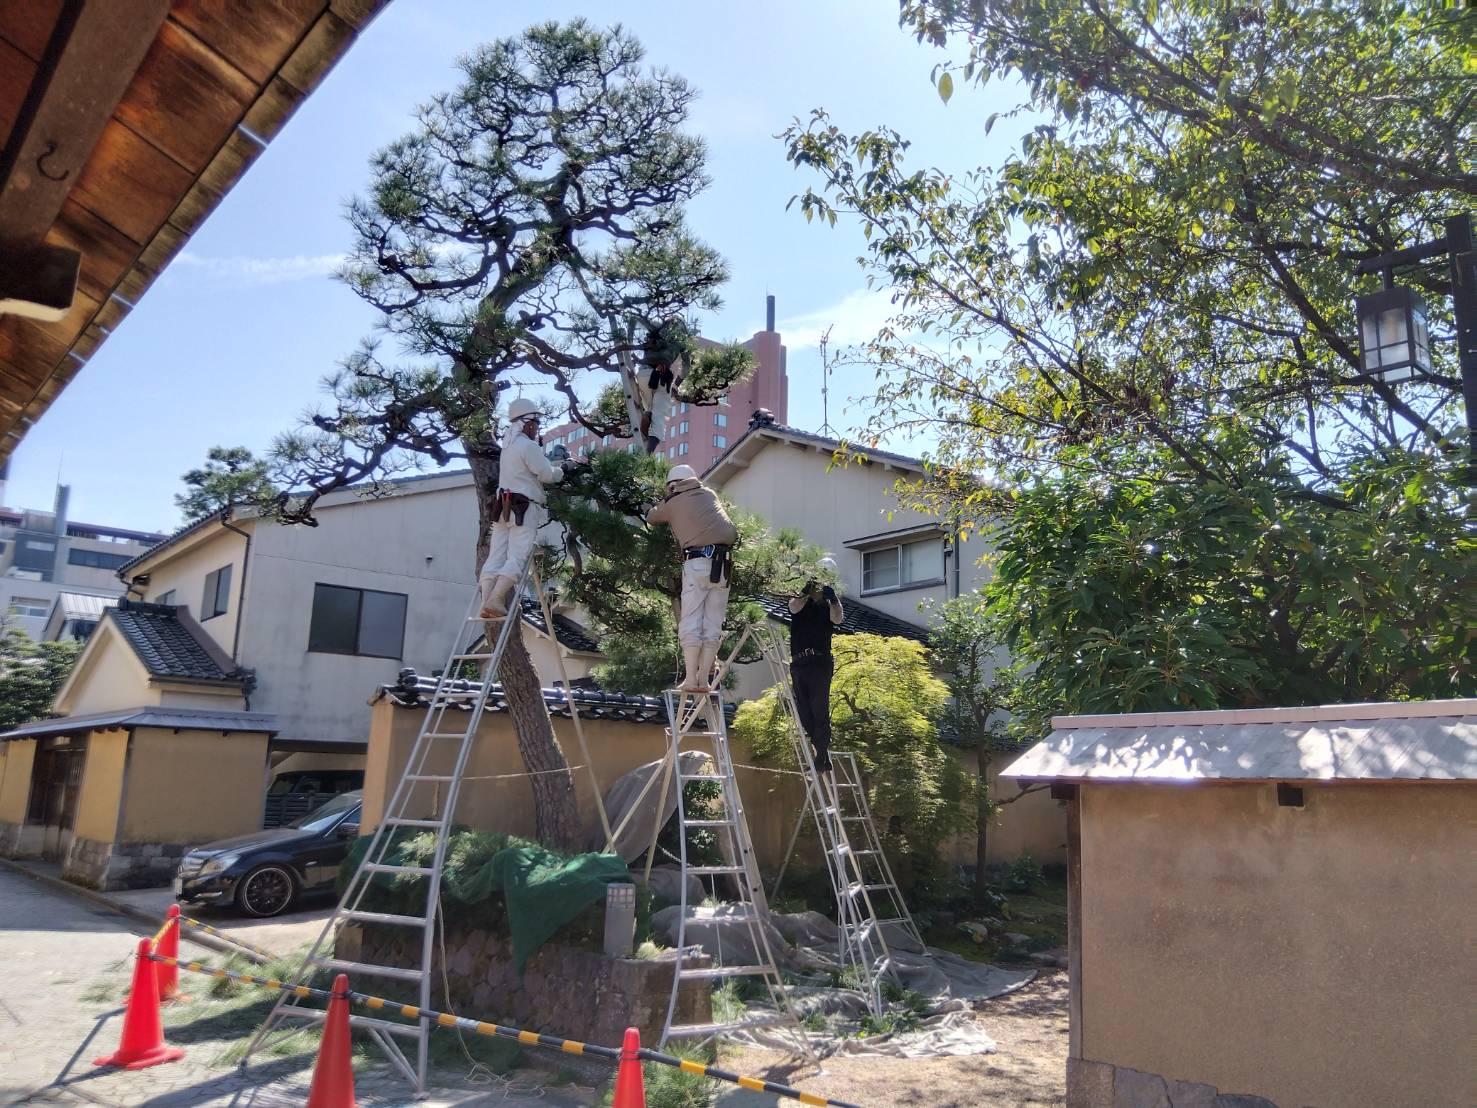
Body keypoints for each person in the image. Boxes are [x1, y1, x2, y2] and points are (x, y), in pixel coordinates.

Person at [645, 463, 737, 692]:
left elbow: (651, 517)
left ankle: (690, 679)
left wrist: (650, 504)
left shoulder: (673, 501)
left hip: (697, 563)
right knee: (713, 624)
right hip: (723, 566)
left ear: (673, 485)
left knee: (691, 621)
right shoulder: (709, 493)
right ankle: (705, 680)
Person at [478, 397, 563, 620]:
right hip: (523, 507)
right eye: (535, 423)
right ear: (527, 422)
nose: (537, 428)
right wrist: (562, 470)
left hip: (503, 506)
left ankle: (486, 600)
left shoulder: (508, 447)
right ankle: (496, 599)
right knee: (517, 554)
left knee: (496, 555)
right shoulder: (527, 446)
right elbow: (546, 474)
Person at [788, 559, 844, 772]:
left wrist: (834, 600)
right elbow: (793, 608)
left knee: (819, 708)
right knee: (804, 711)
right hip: (800, 661)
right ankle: (822, 751)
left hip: (820, 661)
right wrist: (805, 591)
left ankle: (820, 755)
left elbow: (838, 620)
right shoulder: (800, 599)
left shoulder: (830, 603)